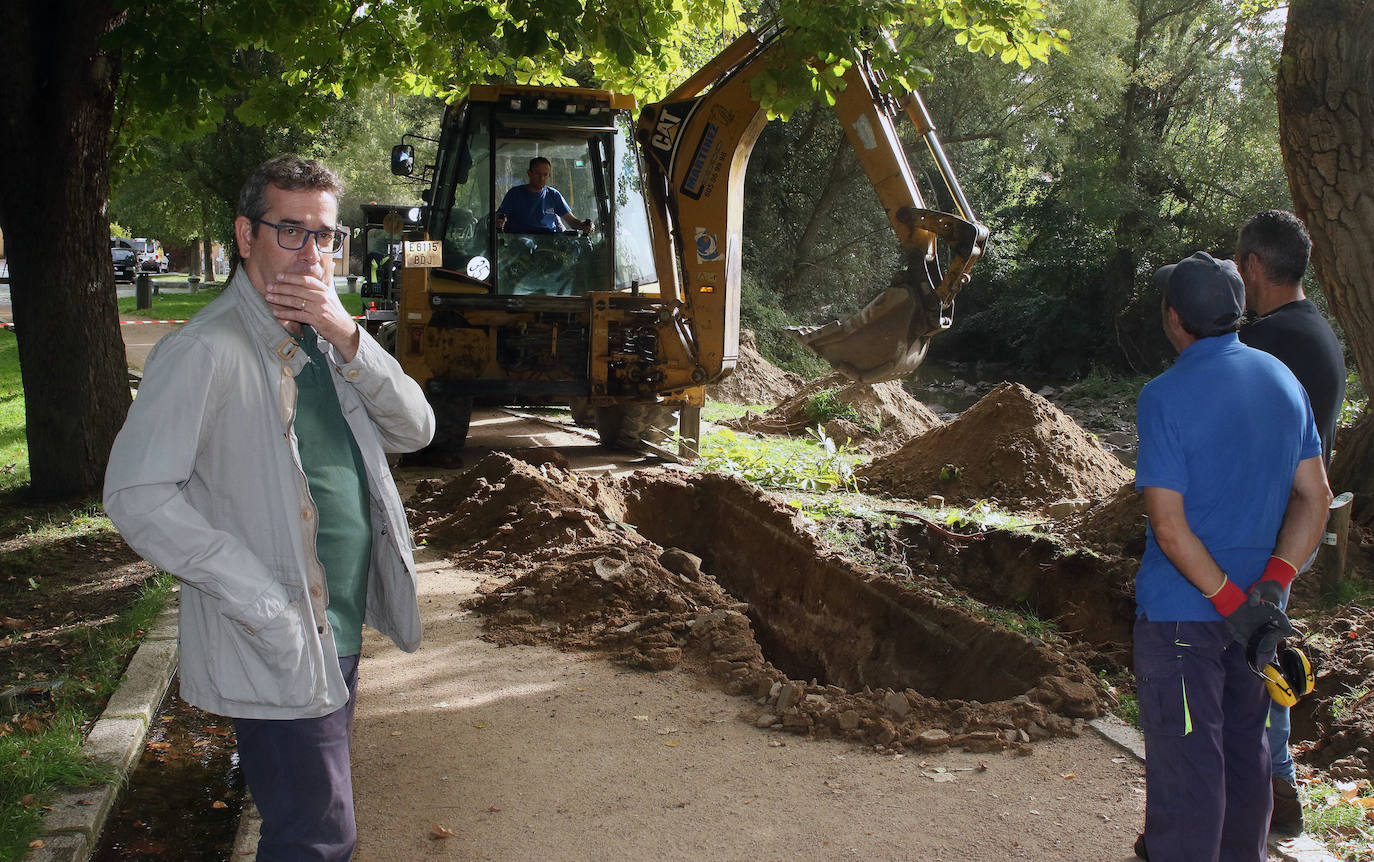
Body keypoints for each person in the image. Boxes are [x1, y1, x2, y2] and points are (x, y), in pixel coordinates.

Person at [104, 155, 435, 861]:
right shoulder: (205, 350)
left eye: (325, 236)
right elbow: (136, 494)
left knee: (309, 826)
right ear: (245, 235)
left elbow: (417, 430)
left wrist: (349, 336)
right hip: (282, 629)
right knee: (317, 836)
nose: (312, 254)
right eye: (291, 232)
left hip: (335, 621)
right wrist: (257, 596)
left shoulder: (327, 337)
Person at [1132, 251, 1331, 861]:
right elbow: (1315, 497)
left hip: (1182, 617)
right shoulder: (1281, 380)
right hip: (1258, 621)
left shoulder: (1165, 396)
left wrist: (1227, 602)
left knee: (1192, 768)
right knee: (1246, 758)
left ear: (1173, 318)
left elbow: (1169, 526)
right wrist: (1270, 587)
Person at [1236, 209, 1346, 836]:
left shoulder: (1270, 341)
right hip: (1295, 527)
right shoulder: (1317, 332)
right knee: (1261, 647)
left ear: (1254, 267)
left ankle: (1271, 785)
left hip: (1269, 529)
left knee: (1248, 651)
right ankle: (1278, 787)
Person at [495, 156, 593, 234]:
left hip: (548, 245)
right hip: (518, 245)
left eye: (545, 174)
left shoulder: (554, 195)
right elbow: (499, 218)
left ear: (549, 176)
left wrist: (585, 225)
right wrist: (499, 221)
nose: (541, 178)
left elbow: (572, 222)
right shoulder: (515, 194)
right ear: (529, 173)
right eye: (538, 174)